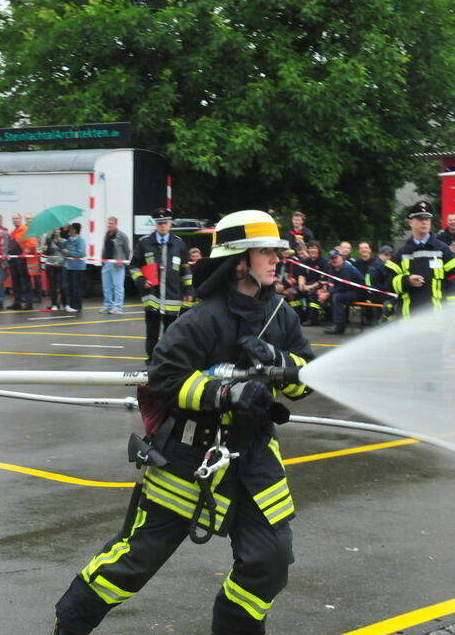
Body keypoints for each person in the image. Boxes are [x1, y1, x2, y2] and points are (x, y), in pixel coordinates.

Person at [52, 209, 313, 635]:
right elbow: (165, 380)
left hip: (256, 459)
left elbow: (306, 380)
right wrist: (226, 393)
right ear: (239, 260)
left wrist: (283, 365)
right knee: (133, 562)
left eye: (276, 251)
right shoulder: (200, 320)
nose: (275, 259)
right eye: (265, 251)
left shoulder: (280, 315)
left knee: (269, 560)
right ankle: (69, 626)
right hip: (189, 459)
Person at [130, 208, 194, 362]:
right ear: (155, 225)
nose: (162, 226)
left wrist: (189, 289)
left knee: (170, 333)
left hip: (173, 298)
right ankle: (151, 361)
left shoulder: (179, 244)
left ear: (170, 223)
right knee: (152, 333)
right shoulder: (145, 243)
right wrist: (141, 281)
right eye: (159, 223)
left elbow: (185, 269)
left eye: (165, 222)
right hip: (152, 297)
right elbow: (133, 267)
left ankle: (166, 361)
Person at [386, 200, 455, 318]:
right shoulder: (401, 253)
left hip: (437, 318)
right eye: (420, 219)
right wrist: (406, 281)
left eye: (427, 219)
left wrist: (454, 310)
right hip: (410, 318)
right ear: (410, 222)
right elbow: (389, 282)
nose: (424, 222)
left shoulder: (442, 249)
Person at [320, 248, 365, 335]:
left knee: (337, 297)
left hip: (359, 292)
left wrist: (329, 293)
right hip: (350, 290)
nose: (334, 260)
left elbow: (345, 286)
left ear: (341, 257)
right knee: (334, 295)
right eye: (332, 258)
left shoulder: (346, 268)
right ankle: (335, 321)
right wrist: (325, 291)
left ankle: (339, 326)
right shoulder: (334, 268)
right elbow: (335, 283)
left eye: (335, 258)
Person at [100, 216, 130, 314]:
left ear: (116, 224)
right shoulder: (107, 235)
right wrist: (102, 260)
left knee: (118, 286)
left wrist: (125, 261)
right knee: (107, 286)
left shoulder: (122, 236)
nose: (109, 225)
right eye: (108, 223)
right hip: (106, 263)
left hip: (117, 264)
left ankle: (117, 307)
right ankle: (108, 305)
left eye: (111, 223)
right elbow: (104, 248)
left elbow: (127, 250)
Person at [296, 241, 330, 326]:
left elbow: (323, 279)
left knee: (313, 294)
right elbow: (301, 275)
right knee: (293, 293)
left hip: (319, 285)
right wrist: (301, 285)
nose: (312, 250)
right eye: (310, 248)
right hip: (306, 284)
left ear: (319, 250)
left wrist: (310, 287)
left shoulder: (324, 262)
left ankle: (313, 319)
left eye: (314, 248)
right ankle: (299, 317)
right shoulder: (305, 262)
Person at [7, 213, 35, 310]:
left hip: (22, 259)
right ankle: (17, 302)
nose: (15, 220)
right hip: (14, 259)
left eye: (17, 218)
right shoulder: (13, 231)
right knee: (15, 282)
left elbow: (32, 243)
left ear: (21, 219)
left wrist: (25, 253)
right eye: (13, 218)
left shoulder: (25, 229)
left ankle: (28, 303)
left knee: (25, 281)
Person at [61, 222, 88, 312]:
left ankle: (77, 306)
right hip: (69, 266)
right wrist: (57, 239)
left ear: (75, 230)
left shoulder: (80, 241)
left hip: (78, 267)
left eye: (71, 229)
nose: (70, 230)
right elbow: (62, 247)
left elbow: (81, 253)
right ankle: (72, 305)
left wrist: (68, 253)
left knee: (77, 287)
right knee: (70, 287)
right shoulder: (69, 240)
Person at [42, 227, 67, 311]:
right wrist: (45, 245)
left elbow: (65, 254)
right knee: (52, 286)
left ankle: (65, 304)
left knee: (63, 286)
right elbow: (43, 252)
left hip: (61, 265)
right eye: (54, 230)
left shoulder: (63, 241)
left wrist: (59, 263)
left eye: (57, 230)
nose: (56, 231)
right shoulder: (49, 241)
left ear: (60, 231)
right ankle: (54, 304)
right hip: (50, 264)